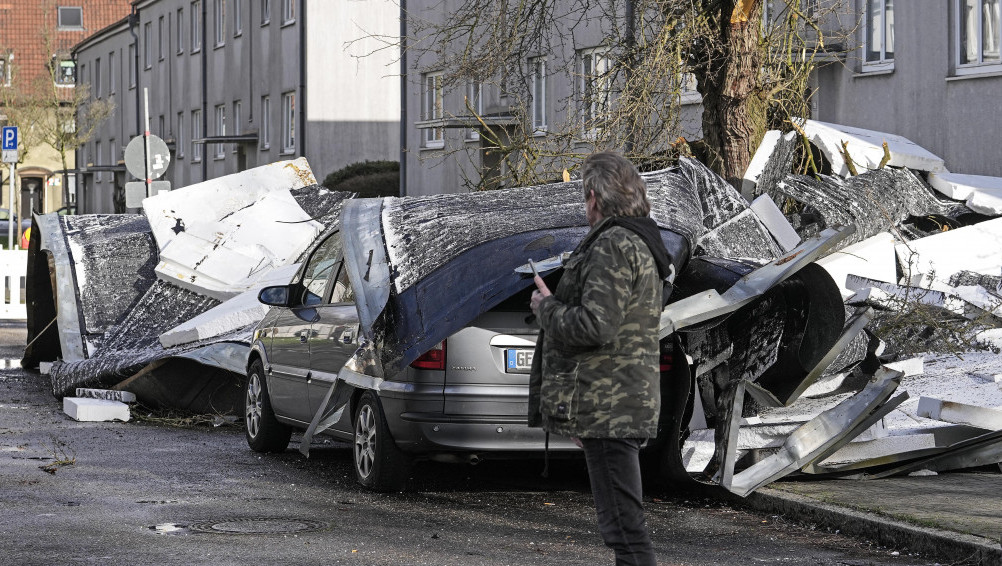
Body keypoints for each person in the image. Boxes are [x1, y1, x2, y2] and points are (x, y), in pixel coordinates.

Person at [528, 151, 673, 566]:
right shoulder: (638, 240)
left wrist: (547, 307)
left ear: (593, 196)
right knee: (624, 530)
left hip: (611, 407)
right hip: (612, 404)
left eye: (584, 198)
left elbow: (596, 326)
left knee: (625, 533)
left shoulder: (613, 244)